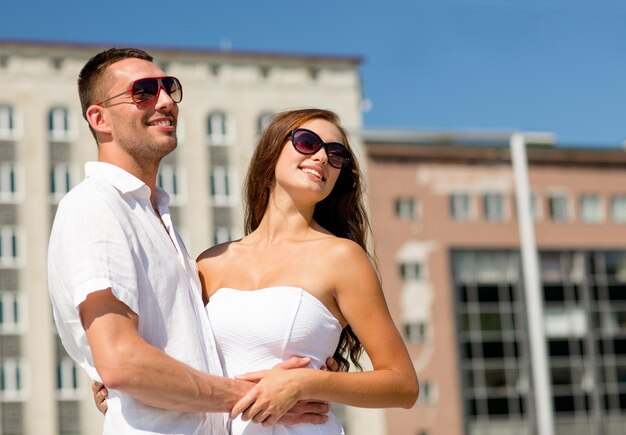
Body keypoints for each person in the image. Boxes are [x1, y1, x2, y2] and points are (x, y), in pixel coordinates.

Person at [48, 48, 330, 434]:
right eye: (143, 91)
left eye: (169, 88)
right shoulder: (94, 206)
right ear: (99, 118)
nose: (165, 101)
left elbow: (174, 352)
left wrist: (304, 368)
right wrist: (254, 397)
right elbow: (121, 363)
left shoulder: (154, 218)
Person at [195, 108, 419, 434]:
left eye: (336, 153)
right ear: (272, 150)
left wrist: (305, 383)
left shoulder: (342, 258)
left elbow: (403, 384)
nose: (322, 157)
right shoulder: (210, 263)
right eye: (307, 142)